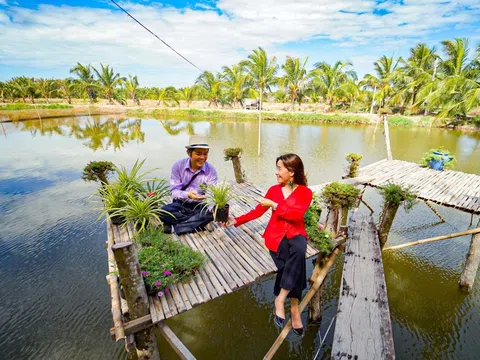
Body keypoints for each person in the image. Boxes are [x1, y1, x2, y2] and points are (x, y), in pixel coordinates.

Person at [225, 153, 312, 336]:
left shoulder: (305, 192)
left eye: (280, 168)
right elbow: (258, 212)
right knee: (293, 261)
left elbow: (296, 216)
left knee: (298, 249)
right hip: (276, 235)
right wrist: (236, 221)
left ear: (292, 172)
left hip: (296, 232)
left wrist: (274, 205)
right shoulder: (273, 190)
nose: (276, 172)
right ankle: (295, 308)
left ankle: (280, 299)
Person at [160, 135, 218, 235]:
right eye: (198, 154)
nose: (202, 157)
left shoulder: (211, 170)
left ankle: (174, 228)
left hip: (200, 206)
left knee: (210, 214)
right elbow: (174, 191)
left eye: (205, 154)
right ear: (189, 153)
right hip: (181, 204)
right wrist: (188, 195)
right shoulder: (178, 166)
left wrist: (211, 210)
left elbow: (212, 195)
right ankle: (198, 224)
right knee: (162, 212)